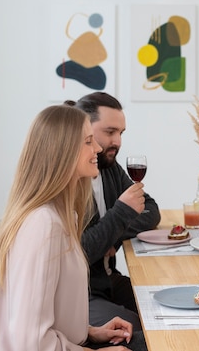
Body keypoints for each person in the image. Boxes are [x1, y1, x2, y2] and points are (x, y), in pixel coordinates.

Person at [0, 104, 135, 350]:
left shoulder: (58, 217)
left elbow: (41, 317)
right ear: (61, 152)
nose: (97, 147)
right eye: (88, 141)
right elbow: (31, 342)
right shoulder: (43, 225)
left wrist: (91, 332)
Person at [68, 92, 160, 348]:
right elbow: (79, 252)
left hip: (109, 279)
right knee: (142, 330)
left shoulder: (109, 167)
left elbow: (150, 210)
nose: (116, 141)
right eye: (110, 131)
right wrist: (119, 215)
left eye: (121, 133)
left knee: (165, 310)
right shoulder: (68, 184)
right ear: (83, 127)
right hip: (83, 294)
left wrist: (113, 233)